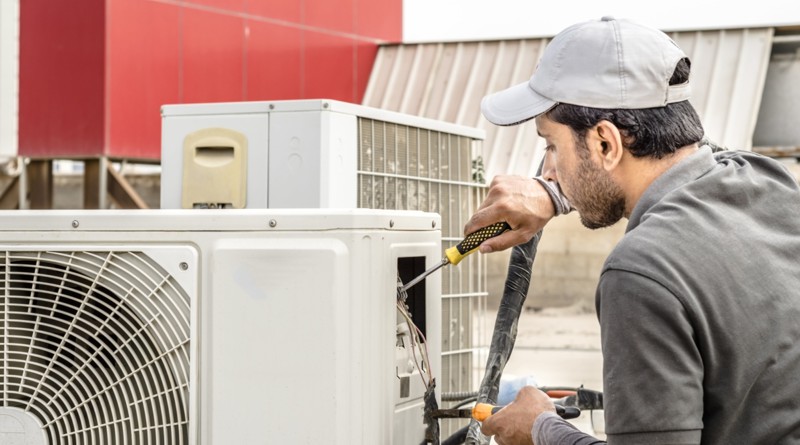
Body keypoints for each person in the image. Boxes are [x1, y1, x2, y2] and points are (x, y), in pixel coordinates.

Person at [465, 16, 800, 445]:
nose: (547, 169)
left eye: (551, 145)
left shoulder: (641, 272)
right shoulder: (769, 181)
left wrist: (541, 428)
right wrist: (557, 193)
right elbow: (694, 154)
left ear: (605, 143)